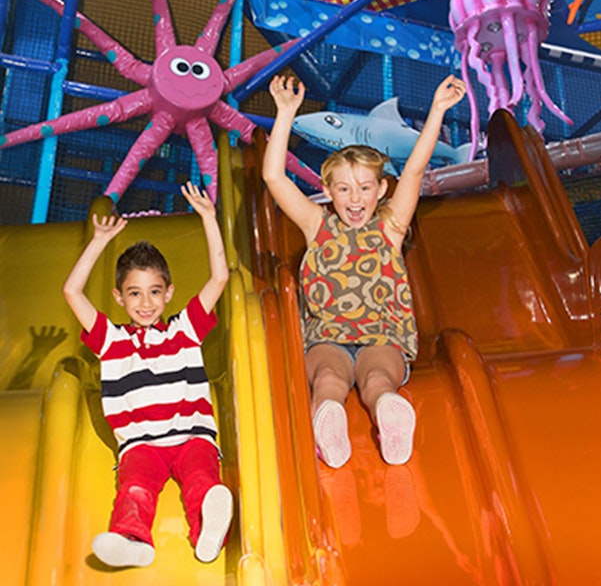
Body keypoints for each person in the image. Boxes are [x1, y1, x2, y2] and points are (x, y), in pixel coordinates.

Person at [262, 73, 467, 469]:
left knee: (378, 381)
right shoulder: (316, 224)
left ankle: (390, 414)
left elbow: (414, 170)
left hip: (382, 337)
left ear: (382, 190)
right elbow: (273, 177)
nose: (354, 198)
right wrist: (285, 113)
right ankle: (329, 424)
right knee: (328, 379)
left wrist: (438, 110)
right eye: (343, 189)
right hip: (328, 338)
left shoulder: (391, 227)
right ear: (327, 190)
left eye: (365, 188)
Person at [62, 182, 232, 569]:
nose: (146, 303)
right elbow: (72, 291)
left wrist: (209, 218)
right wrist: (99, 242)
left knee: (202, 480)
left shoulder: (184, 329)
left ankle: (208, 528)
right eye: (134, 293)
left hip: (192, 437)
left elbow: (219, 279)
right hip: (141, 446)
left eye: (154, 292)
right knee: (135, 488)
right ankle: (133, 540)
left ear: (169, 293)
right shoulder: (111, 340)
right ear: (119, 297)